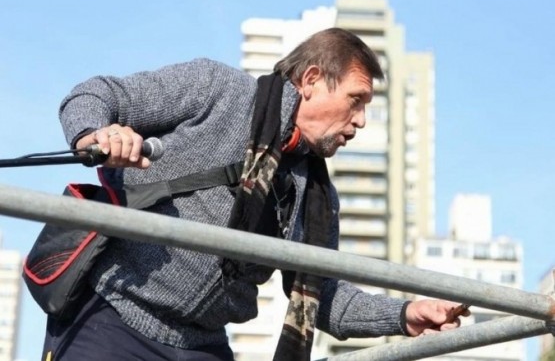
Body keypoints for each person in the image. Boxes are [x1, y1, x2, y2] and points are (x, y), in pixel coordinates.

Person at [41, 28, 469, 361]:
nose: (360, 122)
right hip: (112, 319)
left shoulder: (316, 195)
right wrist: (95, 133)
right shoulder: (217, 90)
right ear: (312, 80)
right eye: (355, 101)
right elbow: (95, 94)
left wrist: (404, 314)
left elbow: (325, 299)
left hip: (202, 345)